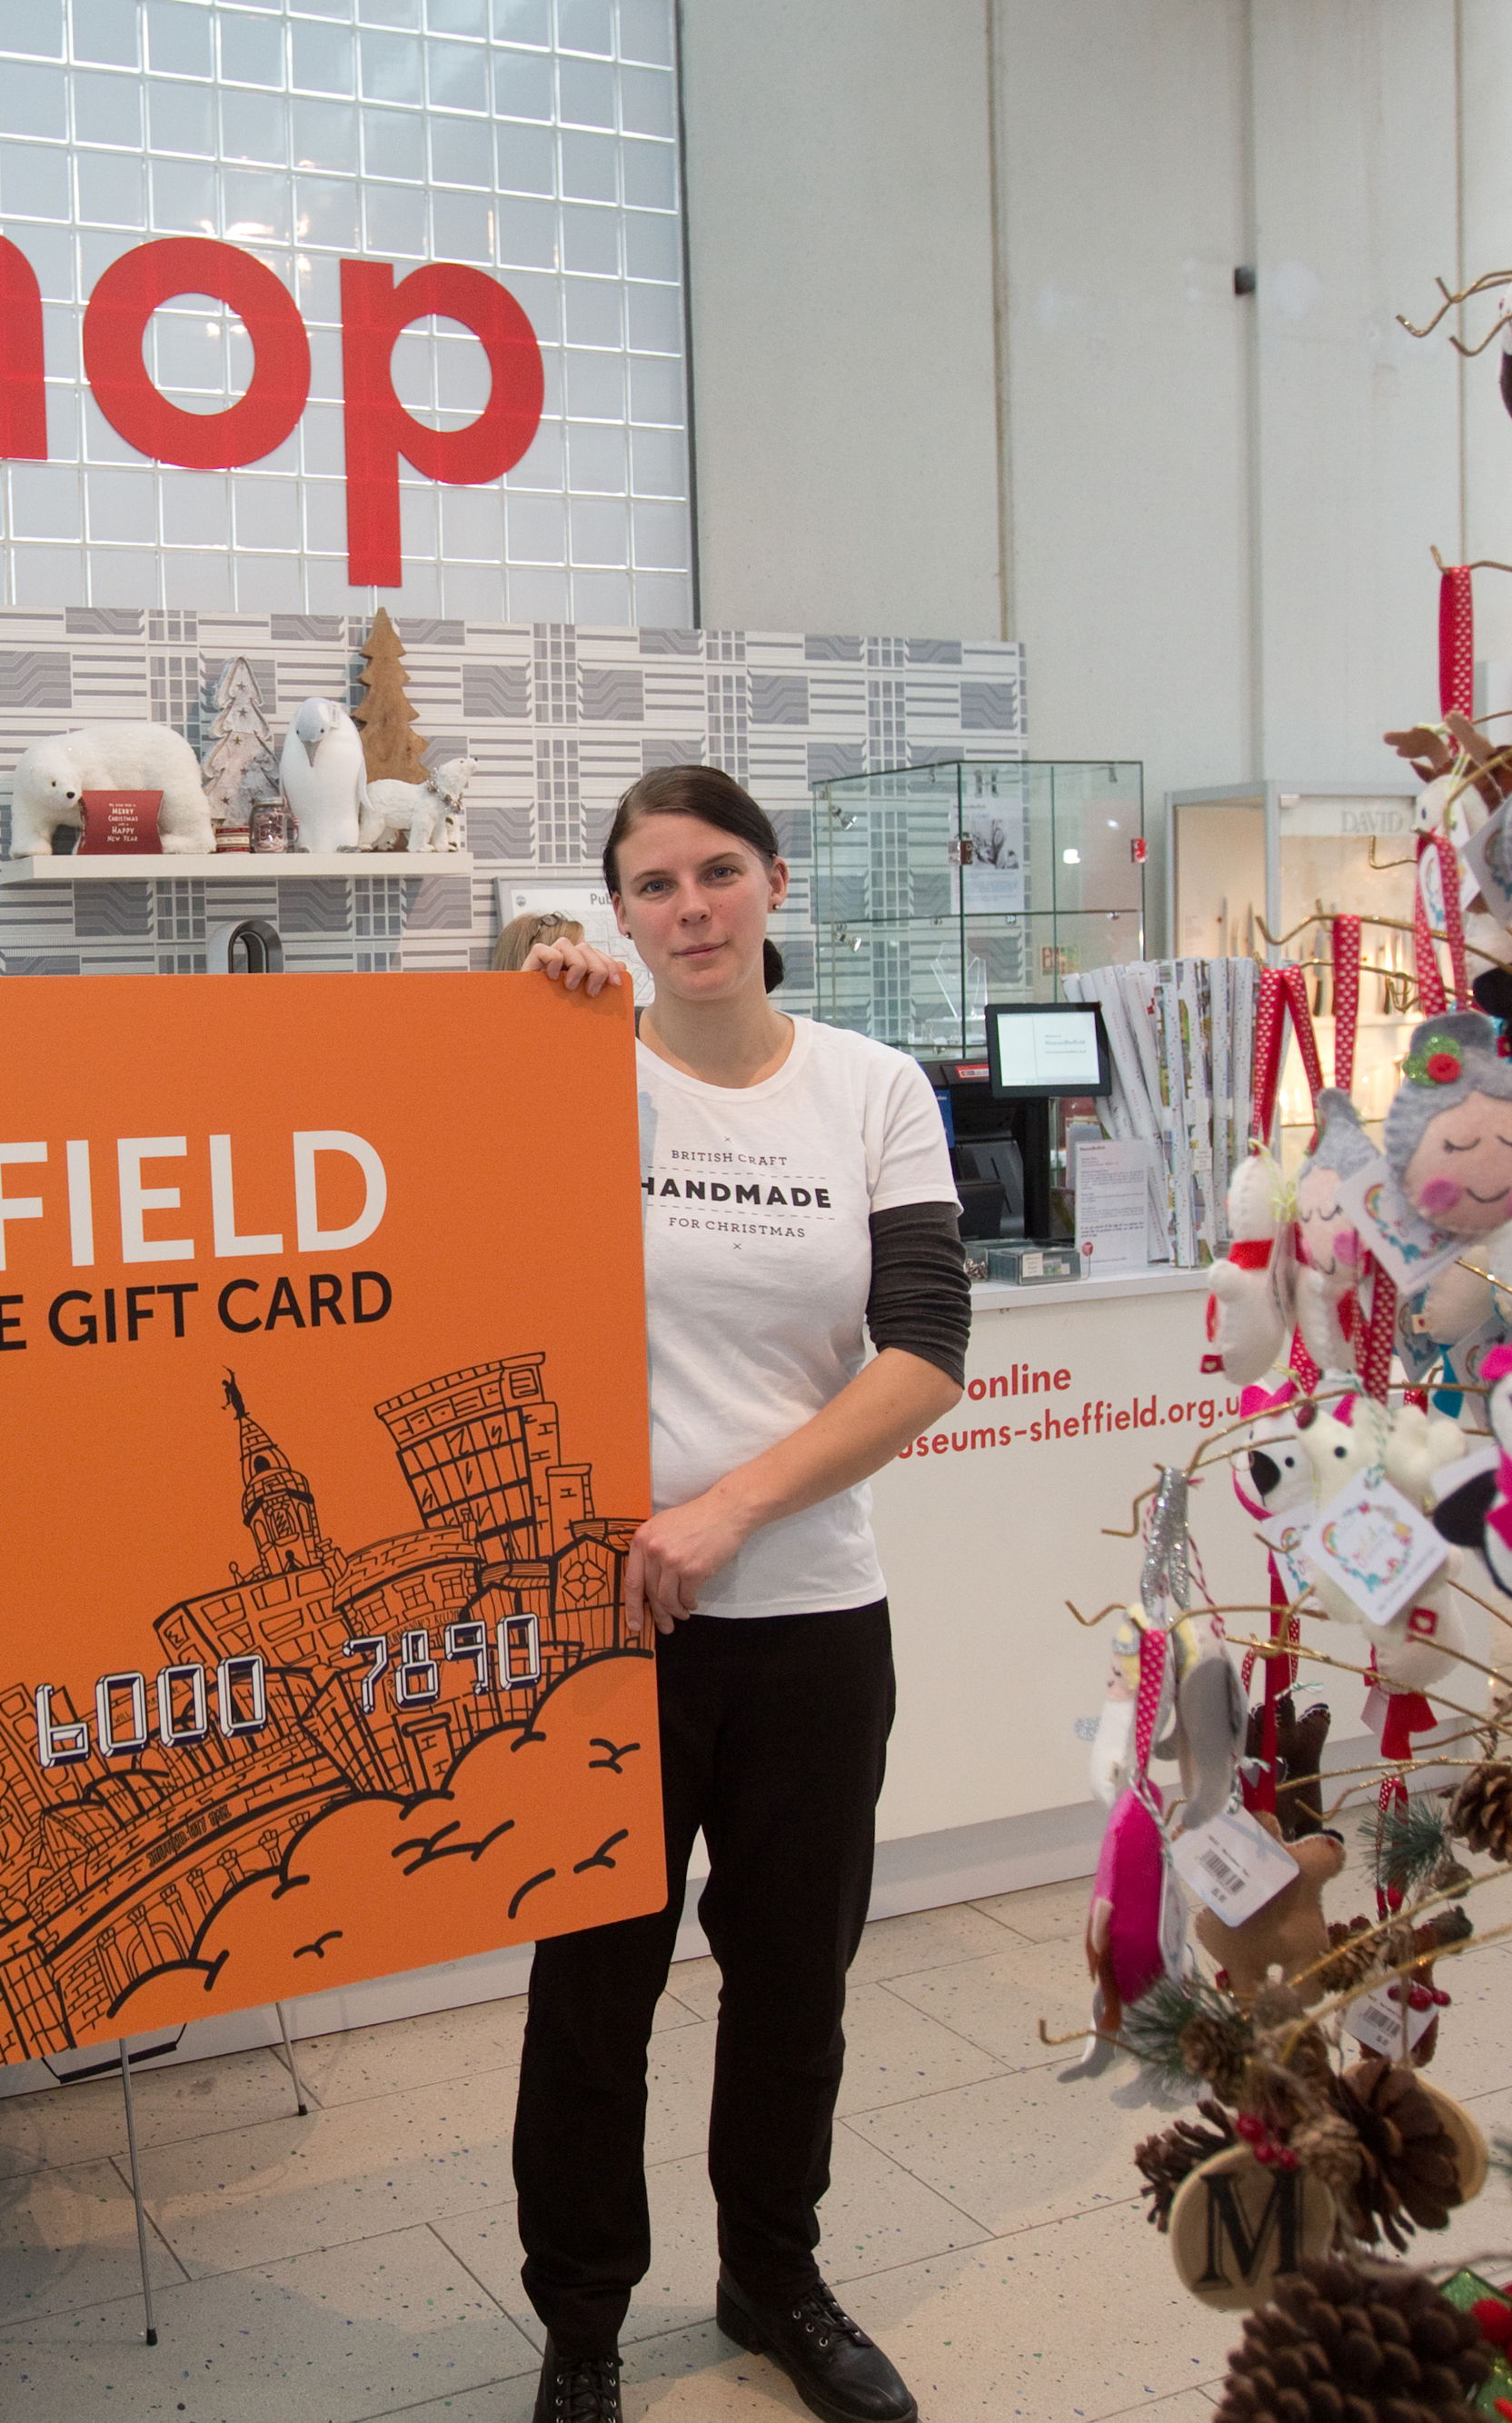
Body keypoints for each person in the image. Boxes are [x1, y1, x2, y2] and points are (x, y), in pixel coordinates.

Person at [512, 767, 970, 2423]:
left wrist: (723, 1512)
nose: (692, 907)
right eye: (654, 886)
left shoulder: (872, 1090)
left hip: (812, 1618)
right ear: (619, 911)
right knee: (592, 1997)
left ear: (775, 884)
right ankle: (579, 2321)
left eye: (718, 873)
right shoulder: (572, 1075)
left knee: (794, 1984)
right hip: (605, 1626)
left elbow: (924, 1345)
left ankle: (774, 2274)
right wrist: (531, 991)